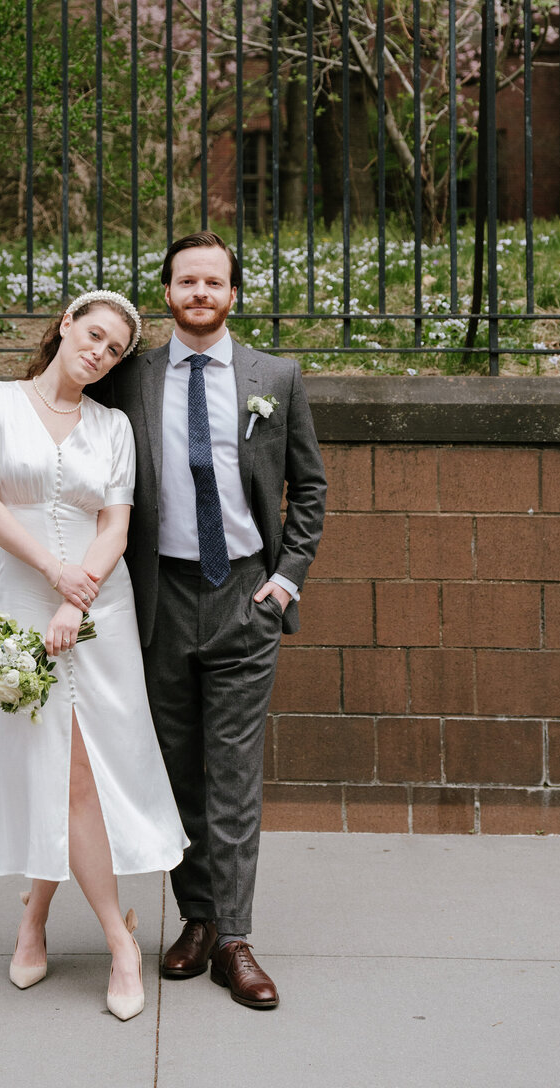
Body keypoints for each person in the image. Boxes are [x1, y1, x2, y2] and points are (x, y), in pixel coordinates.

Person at [101, 231, 327, 1010]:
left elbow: (311, 491)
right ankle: (196, 915)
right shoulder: (130, 377)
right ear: (166, 292)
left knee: (232, 775)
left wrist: (285, 583)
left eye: (214, 282)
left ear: (234, 294)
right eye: (186, 281)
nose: (200, 293)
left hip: (243, 597)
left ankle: (233, 939)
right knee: (176, 771)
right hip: (157, 599)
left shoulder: (278, 379)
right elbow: (65, 442)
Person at [0, 291, 188, 1023]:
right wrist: (54, 581)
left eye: (114, 349)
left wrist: (77, 596)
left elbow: (115, 526)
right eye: (93, 336)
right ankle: (116, 939)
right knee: (57, 769)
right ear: (65, 325)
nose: (100, 353)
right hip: (26, 605)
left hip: (98, 605)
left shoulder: (113, 425)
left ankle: (50, 924)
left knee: (82, 768)